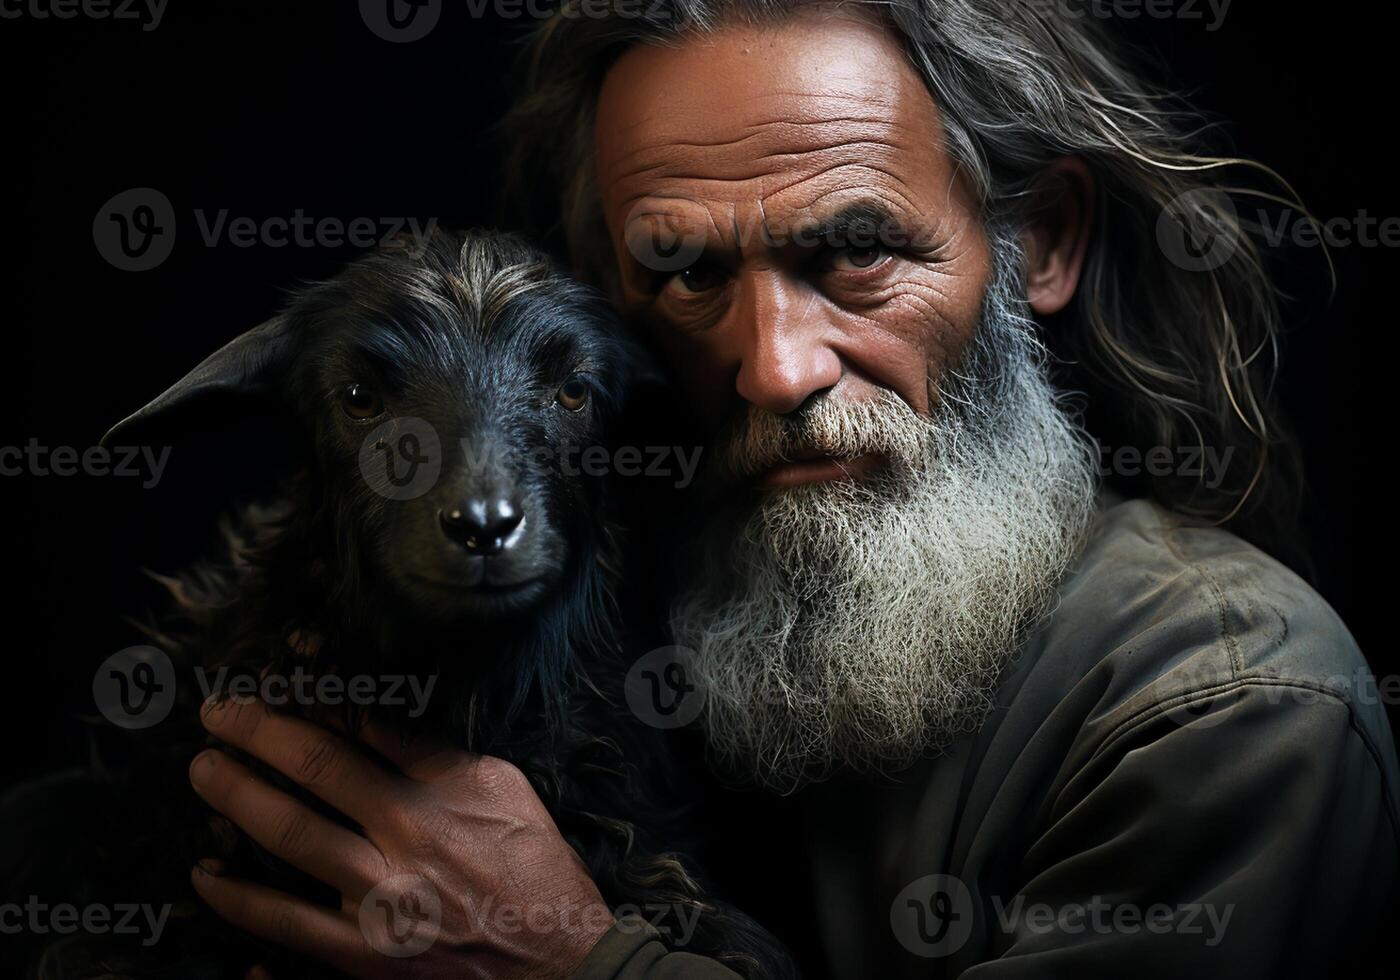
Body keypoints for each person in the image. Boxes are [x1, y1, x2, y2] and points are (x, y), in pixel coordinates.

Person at [186, 2, 1399, 977]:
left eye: (856, 251)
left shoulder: (1221, 704)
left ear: (1041, 240)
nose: (773, 367)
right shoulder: (617, 568)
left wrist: (573, 957)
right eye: (685, 273)